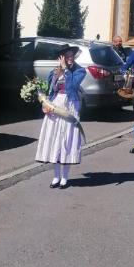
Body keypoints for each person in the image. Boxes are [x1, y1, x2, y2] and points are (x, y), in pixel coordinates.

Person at [35, 44, 86, 188]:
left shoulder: (80, 71)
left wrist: (65, 69)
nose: (70, 58)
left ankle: (65, 177)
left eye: (72, 55)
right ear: (61, 57)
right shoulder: (54, 72)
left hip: (69, 106)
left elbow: (72, 87)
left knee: (66, 141)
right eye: (67, 56)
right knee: (54, 141)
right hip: (55, 107)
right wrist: (45, 104)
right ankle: (56, 176)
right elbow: (50, 91)